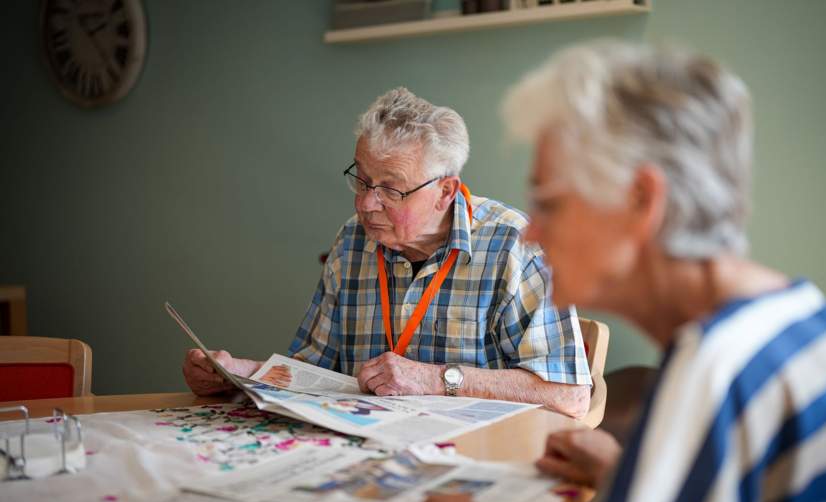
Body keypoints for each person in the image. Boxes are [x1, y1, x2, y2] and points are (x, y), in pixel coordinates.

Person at [400, 41, 826, 502]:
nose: (532, 231)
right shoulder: (807, 317)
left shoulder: (714, 374)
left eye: (550, 202)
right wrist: (624, 474)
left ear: (642, 200)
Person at [182, 88, 592, 418]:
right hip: (364, 454)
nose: (366, 204)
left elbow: (569, 394)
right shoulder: (352, 241)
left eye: (391, 190)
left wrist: (436, 380)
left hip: (473, 459)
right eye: (362, 181)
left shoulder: (515, 246)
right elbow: (312, 372)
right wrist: (238, 374)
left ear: (445, 192)